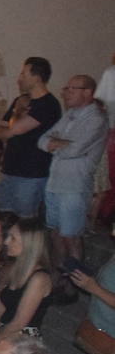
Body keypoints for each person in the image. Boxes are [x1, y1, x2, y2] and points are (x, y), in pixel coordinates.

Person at [38, 74, 107, 269]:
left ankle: (74, 282)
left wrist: (57, 143)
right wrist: (60, 143)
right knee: (55, 233)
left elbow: (75, 150)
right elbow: (42, 140)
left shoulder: (96, 119)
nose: (66, 92)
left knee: (71, 237)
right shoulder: (69, 115)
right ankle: (60, 275)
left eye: (71, 89)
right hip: (55, 183)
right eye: (66, 88)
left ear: (88, 92)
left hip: (74, 187)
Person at [0, 56, 61, 218]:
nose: (19, 79)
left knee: (24, 221)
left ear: (37, 77)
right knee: (1, 217)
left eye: (23, 74)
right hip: (9, 168)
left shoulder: (48, 104)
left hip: (31, 173)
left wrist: (15, 117)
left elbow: (13, 131)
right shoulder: (20, 101)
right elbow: (0, 131)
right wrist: (17, 112)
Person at [0, 217, 54, 342]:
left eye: (13, 238)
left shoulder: (39, 279)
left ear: (29, 244)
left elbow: (19, 322)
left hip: (22, 341)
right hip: (4, 333)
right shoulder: (16, 269)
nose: (6, 242)